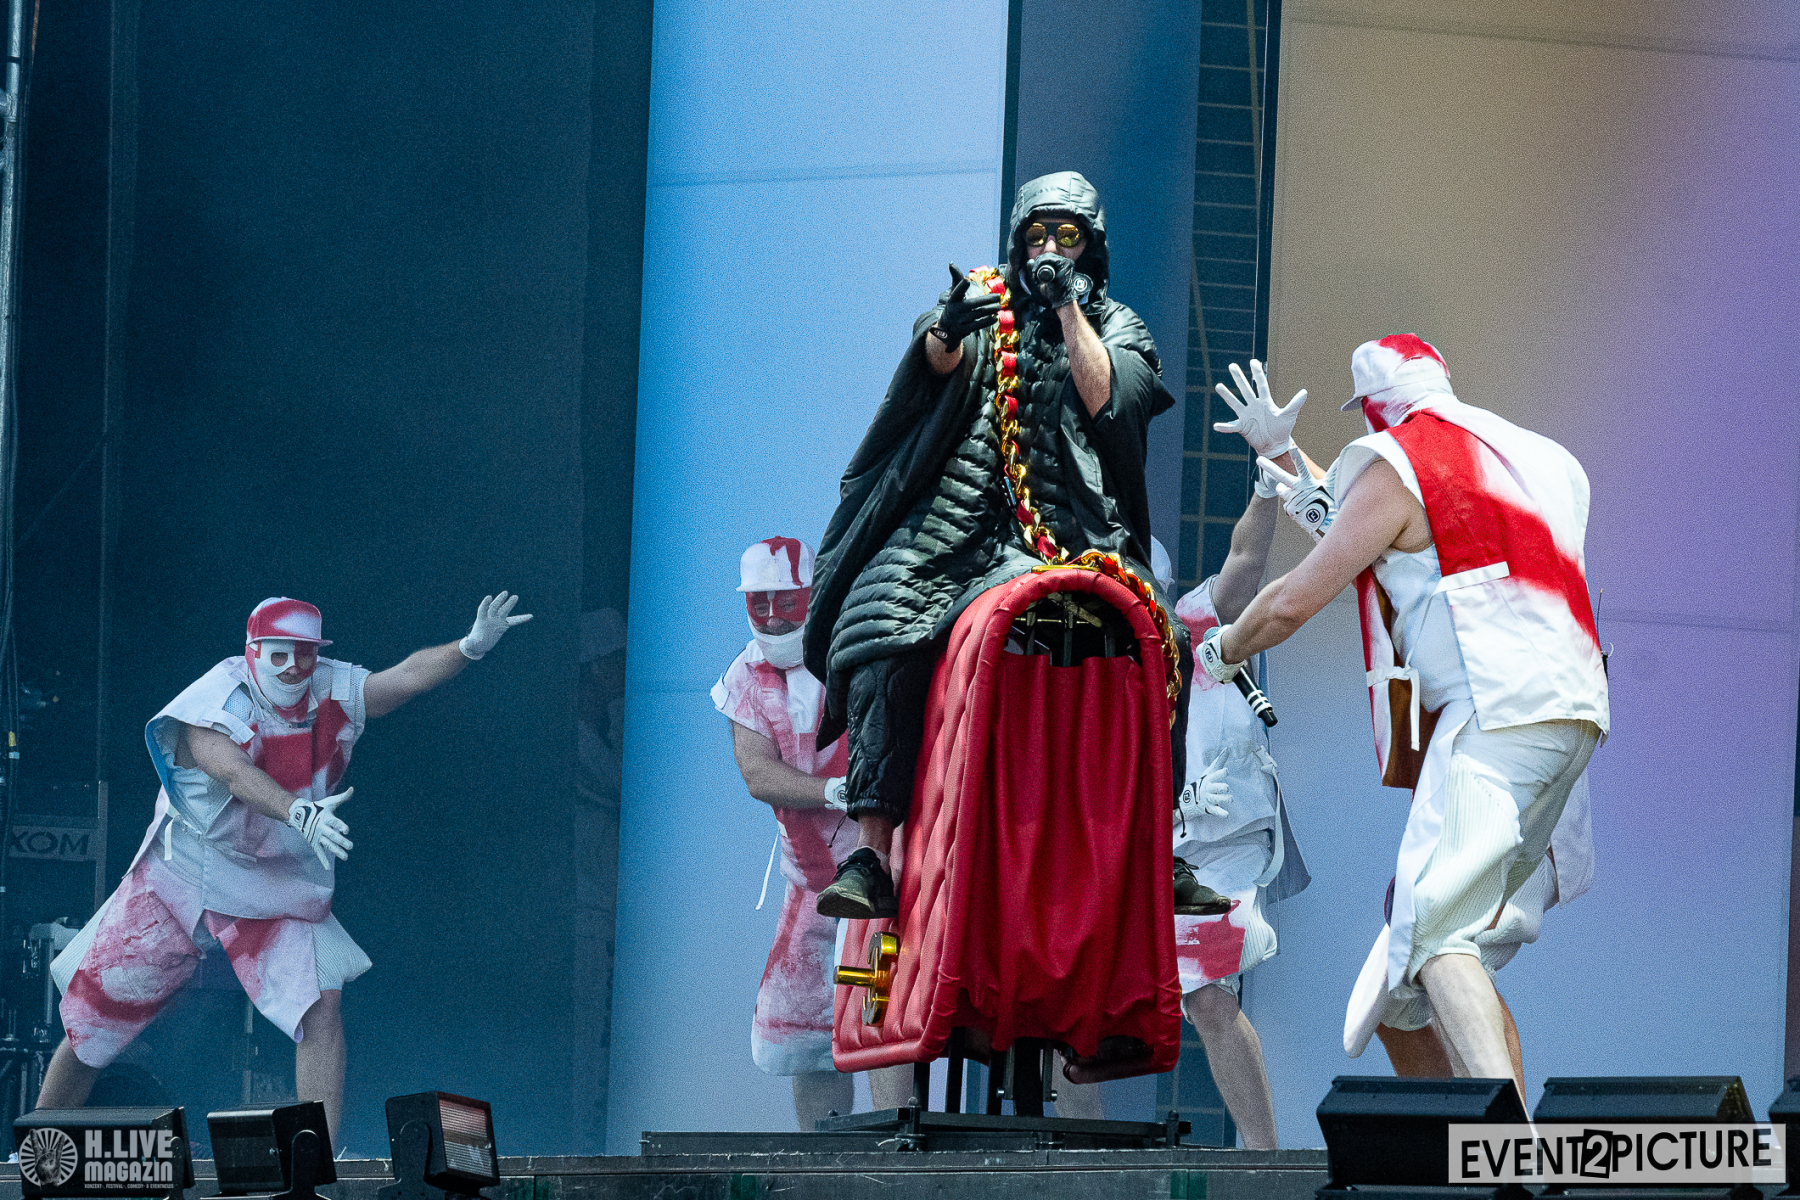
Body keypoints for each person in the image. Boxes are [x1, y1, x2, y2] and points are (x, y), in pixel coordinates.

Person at [1203, 334, 1608, 1103]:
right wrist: (1286, 458)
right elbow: (1386, 537)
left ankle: (1504, 1149)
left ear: (1373, 409)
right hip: (1565, 720)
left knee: (1437, 936)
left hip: (1495, 722)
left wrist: (1220, 650)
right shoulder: (1532, 458)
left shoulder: (1403, 465)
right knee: (1406, 981)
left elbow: (1307, 586)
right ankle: (1453, 1144)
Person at [803, 170, 1183, 920]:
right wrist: (947, 329)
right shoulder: (981, 300)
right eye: (1037, 236)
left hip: (1070, 537)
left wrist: (1067, 305)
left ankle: (1161, 848)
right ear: (1016, 241)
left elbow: (1112, 402)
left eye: (1067, 236)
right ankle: (871, 857)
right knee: (880, 618)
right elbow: (930, 363)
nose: (1050, 249)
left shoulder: (1120, 325)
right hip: (956, 532)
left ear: (1091, 247)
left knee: (1162, 637)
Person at [38, 592, 533, 1142]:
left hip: (273, 882)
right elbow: (233, 772)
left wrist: (468, 648)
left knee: (320, 1006)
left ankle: (317, 1162)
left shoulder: (329, 684)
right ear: (253, 651)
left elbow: (401, 681)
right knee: (96, 1018)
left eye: (306, 652)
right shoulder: (220, 695)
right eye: (280, 654)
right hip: (184, 872)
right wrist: (298, 811)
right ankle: (39, 1149)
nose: (295, 666)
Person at [1165, 362, 1313, 1149]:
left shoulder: (1193, 626)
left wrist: (1265, 485)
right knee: (1077, 1009)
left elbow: (1243, 571)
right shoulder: (1091, 670)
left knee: (1209, 997)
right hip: (1142, 856)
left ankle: (1262, 1157)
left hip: (1220, 843)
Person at [712, 537, 907, 1127]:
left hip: (884, 880)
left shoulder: (858, 647)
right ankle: (820, 1163)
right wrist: (830, 791)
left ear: (812, 595)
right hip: (810, 887)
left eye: (787, 602)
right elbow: (757, 773)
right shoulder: (745, 675)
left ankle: (899, 1162)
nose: (773, 618)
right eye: (760, 604)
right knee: (803, 1035)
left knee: (881, 1019)